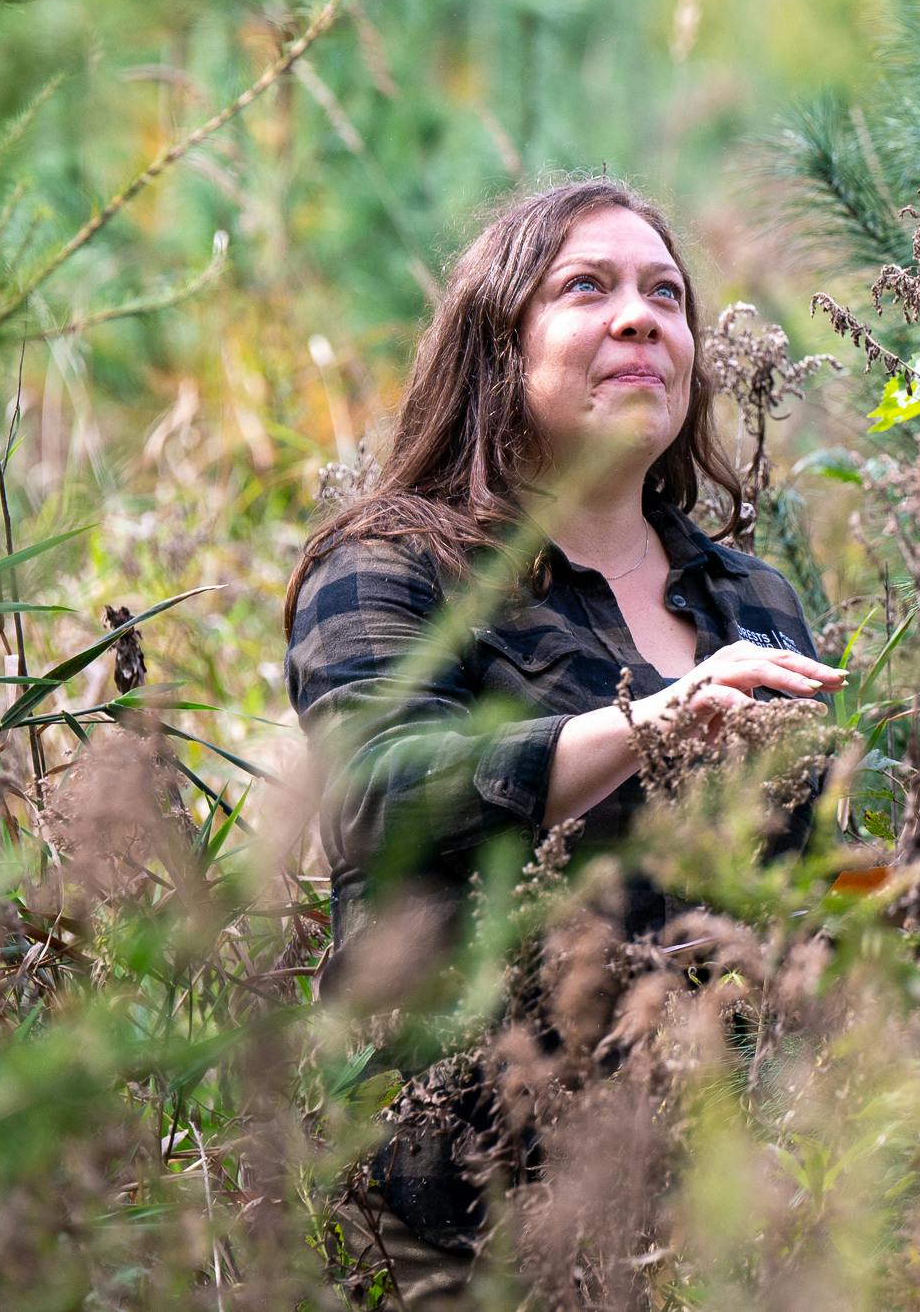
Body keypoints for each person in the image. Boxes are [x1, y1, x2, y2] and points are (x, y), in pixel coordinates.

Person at [284, 175, 842, 1300]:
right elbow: (375, 790)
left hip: (735, 1211)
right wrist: (654, 721)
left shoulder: (751, 598)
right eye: (586, 287)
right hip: (478, 1215)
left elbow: (798, 892)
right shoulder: (394, 565)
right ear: (498, 346)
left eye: (667, 294)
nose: (642, 316)